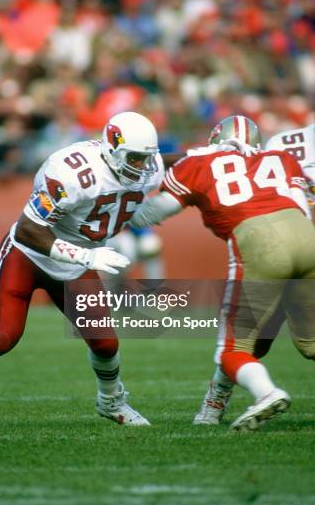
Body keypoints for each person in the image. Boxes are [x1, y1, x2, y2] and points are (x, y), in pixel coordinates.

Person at [0, 111, 164, 431]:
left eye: (145, 159)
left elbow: (173, 162)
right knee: (3, 336)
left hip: (72, 264)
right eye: (135, 158)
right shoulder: (72, 174)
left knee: (105, 342)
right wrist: (84, 256)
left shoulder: (146, 168)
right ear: (113, 149)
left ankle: (111, 402)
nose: (142, 167)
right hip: (27, 255)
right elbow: (29, 230)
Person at [131, 115, 315, 431]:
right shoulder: (281, 157)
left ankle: (266, 393)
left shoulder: (199, 162)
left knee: (232, 350)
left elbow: (156, 210)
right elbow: (301, 204)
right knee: (311, 342)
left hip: (259, 243)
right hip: (308, 238)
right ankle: (214, 406)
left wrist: (127, 215)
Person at [193, 122, 315, 426]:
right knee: (254, 341)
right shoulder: (284, 142)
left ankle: (215, 403)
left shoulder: (285, 141)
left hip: (291, 251)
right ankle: (215, 400)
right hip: (284, 247)